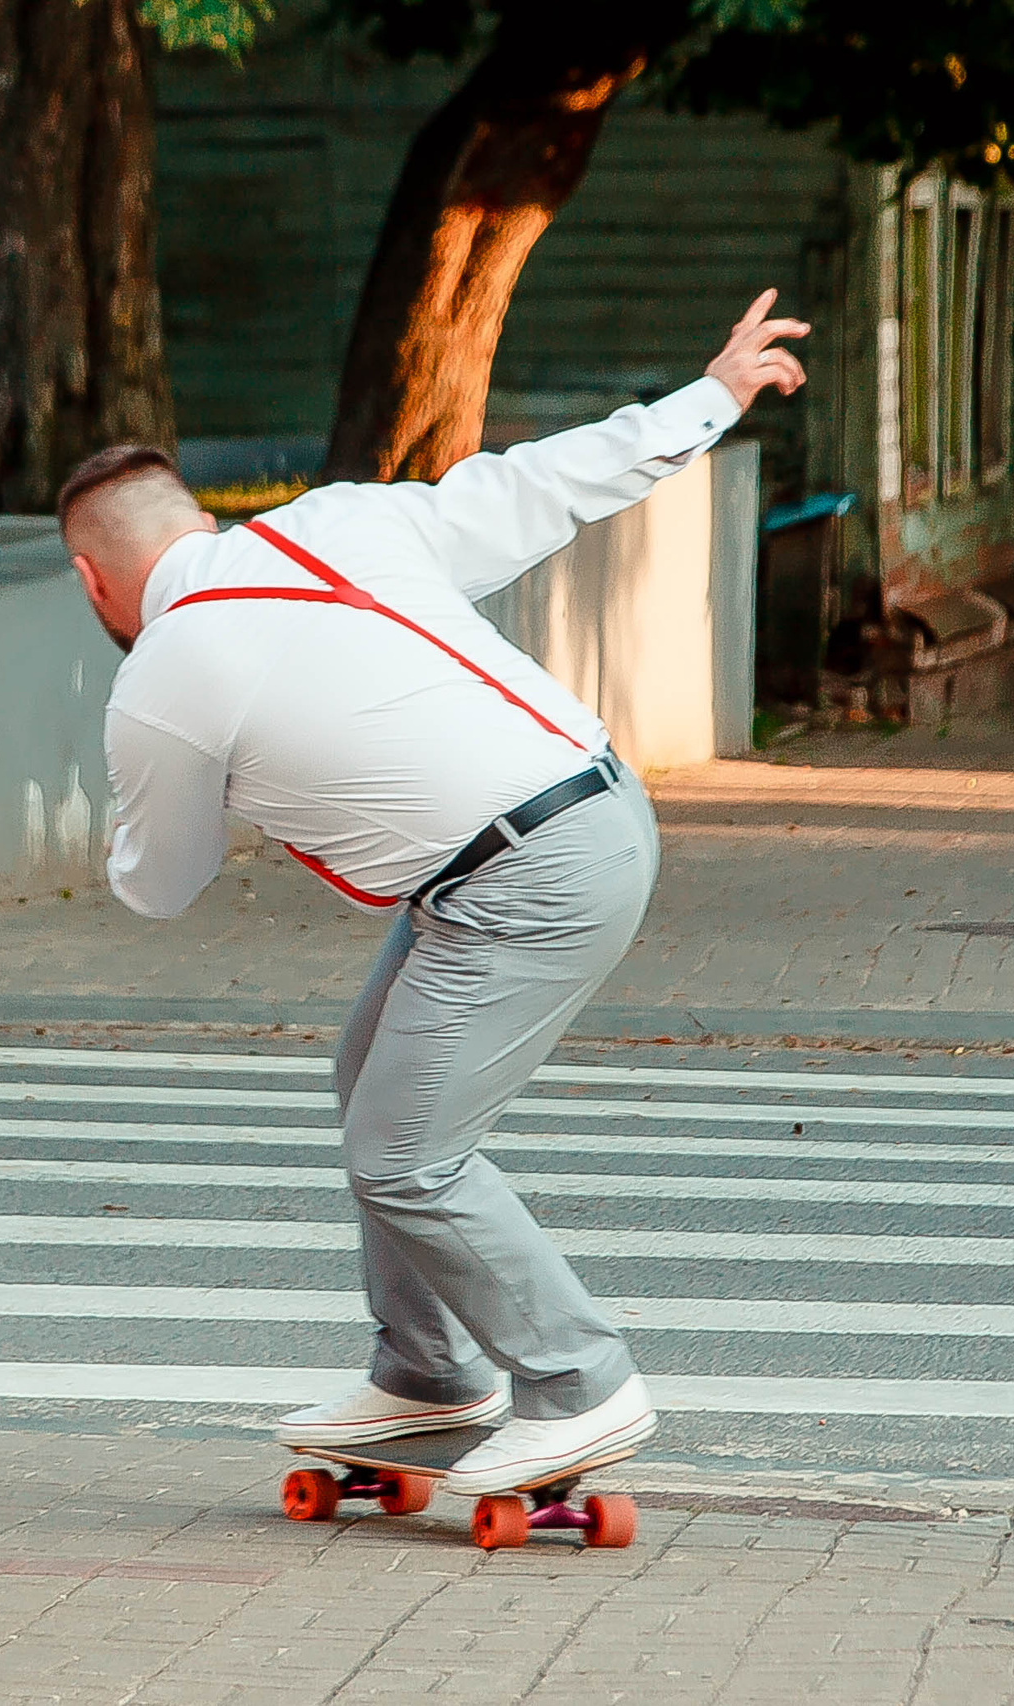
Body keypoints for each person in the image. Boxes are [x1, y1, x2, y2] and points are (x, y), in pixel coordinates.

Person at [59, 292, 809, 1494]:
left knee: (404, 1148)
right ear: (197, 519)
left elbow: (158, 885)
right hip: (585, 812)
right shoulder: (342, 523)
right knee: (369, 1081)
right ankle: (425, 1373)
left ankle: (576, 1379)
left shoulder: (161, 677)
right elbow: (543, 483)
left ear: (93, 578)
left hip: (524, 875)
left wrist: (155, 789)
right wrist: (711, 393)